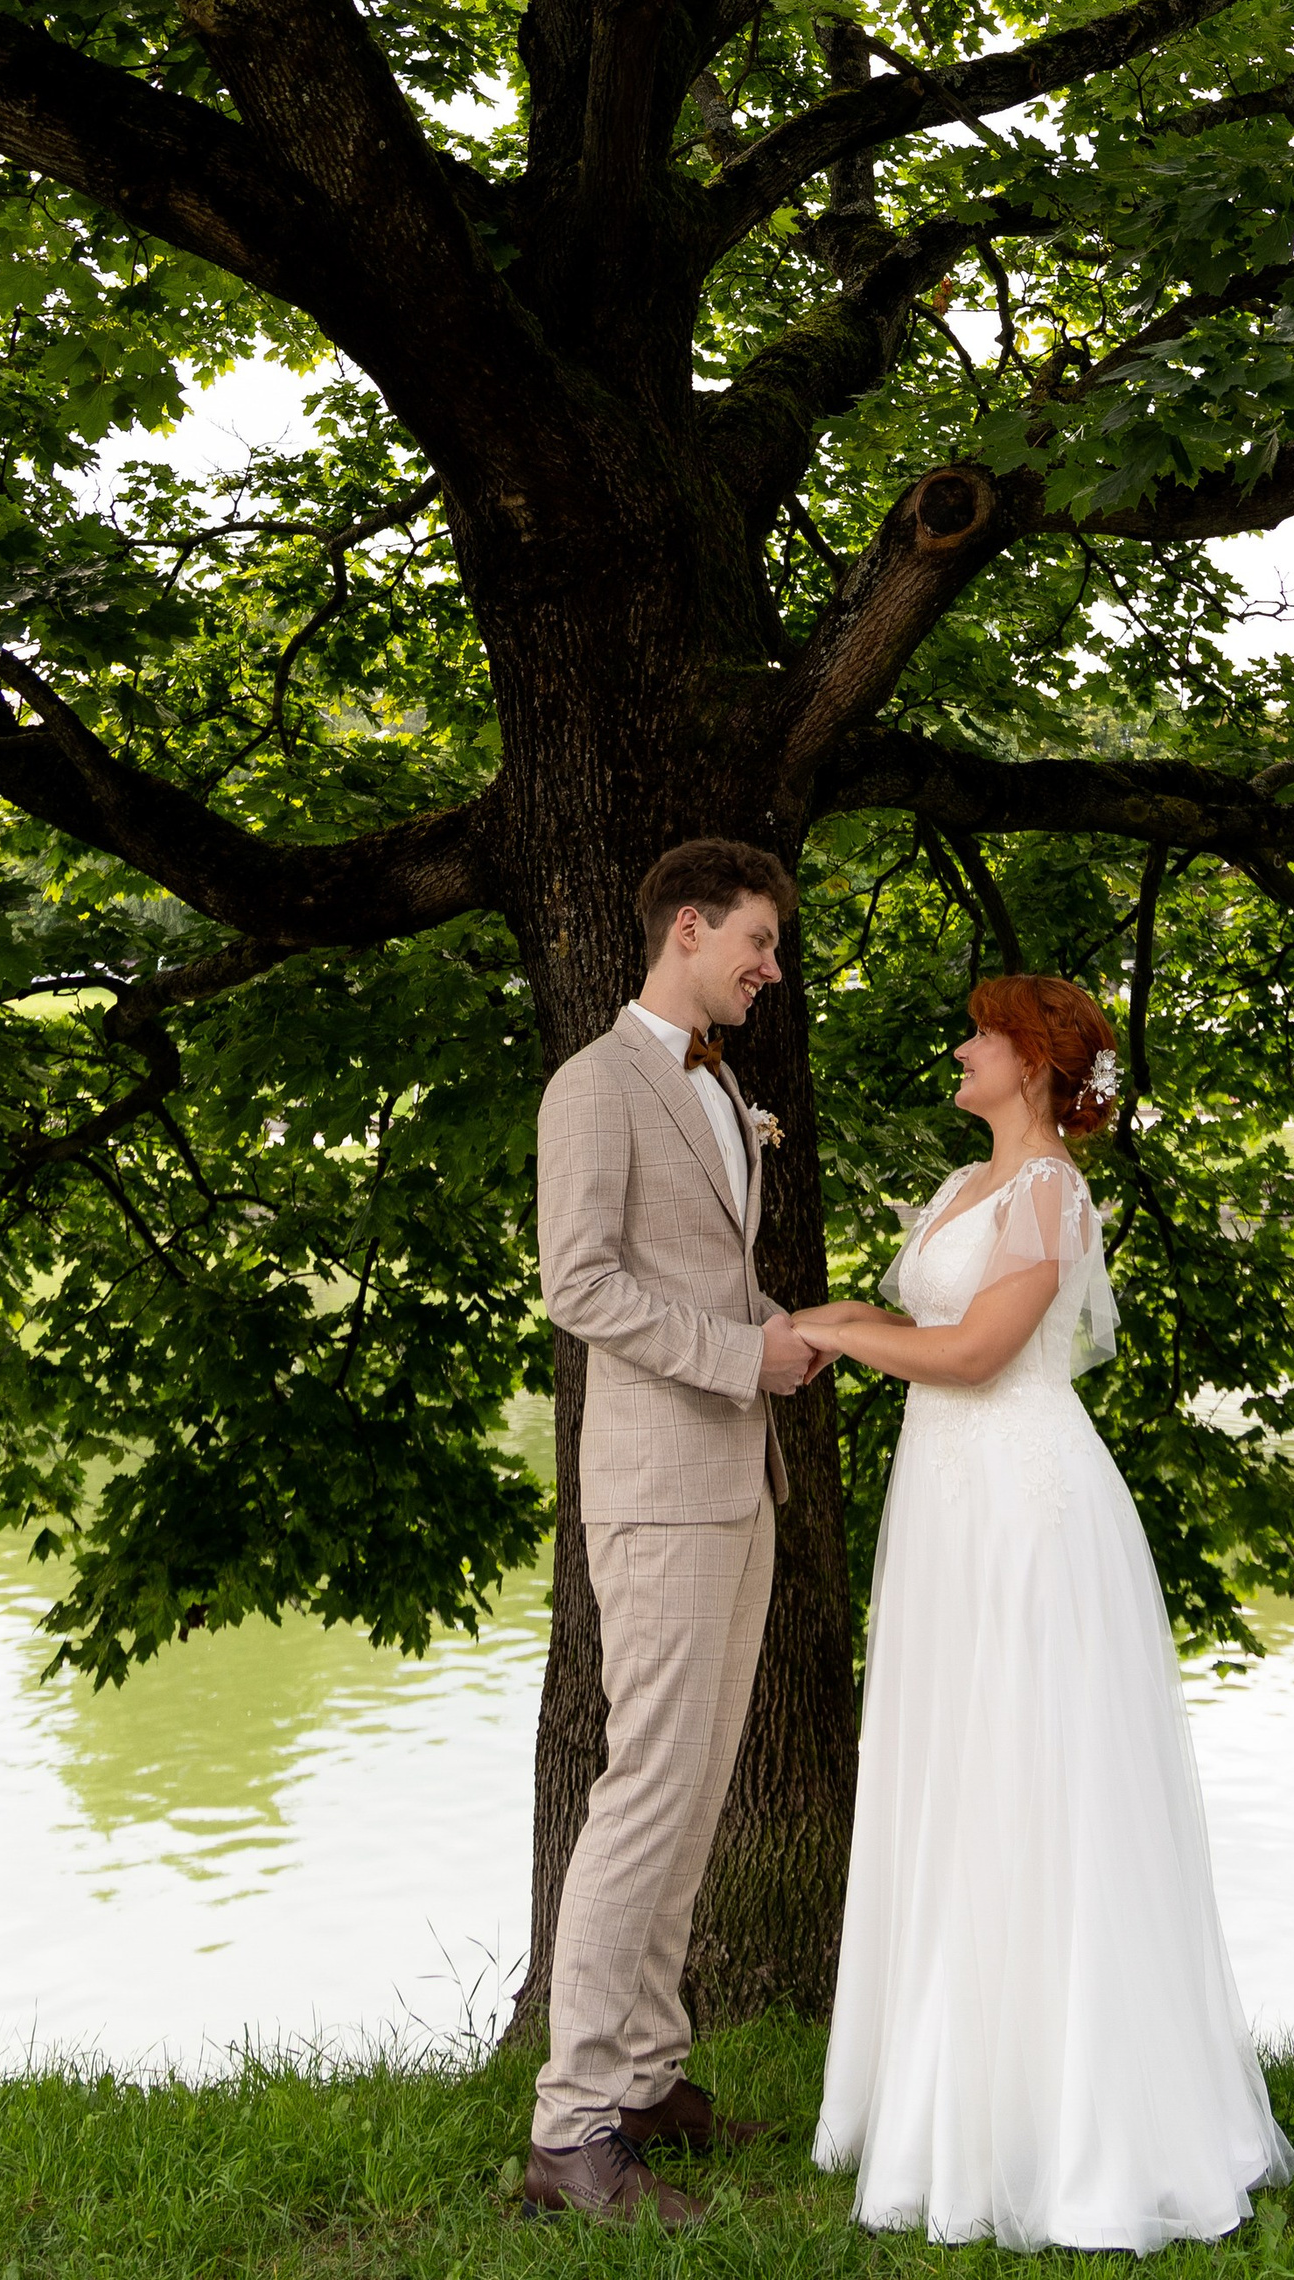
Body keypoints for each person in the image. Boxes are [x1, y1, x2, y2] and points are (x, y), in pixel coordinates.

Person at [791, 972, 1294, 2255]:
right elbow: (933, 1324)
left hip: (1024, 1508)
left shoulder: (1049, 1193)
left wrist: (845, 1334)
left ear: (1028, 1060)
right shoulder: (965, 1187)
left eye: (975, 1034)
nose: (956, 1047)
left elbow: (972, 1356)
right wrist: (859, 1317)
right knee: (957, 1772)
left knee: (1031, 1778)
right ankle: (961, 2095)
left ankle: (1075, 2125)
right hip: (949, 1503)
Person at [526, 836, 827, 2226]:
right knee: (646, 1793)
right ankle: (573, 2132)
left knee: (695, 1793)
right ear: (692, 930)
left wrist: (774, 1328)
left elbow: (696, 1269)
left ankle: (649, 2083)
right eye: (758, 944)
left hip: (733, 1480)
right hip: (657, 1485)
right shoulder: (596, 1086)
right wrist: (733, 1356)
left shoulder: (721, 1083)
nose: (773, 969)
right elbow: (580, 1285)